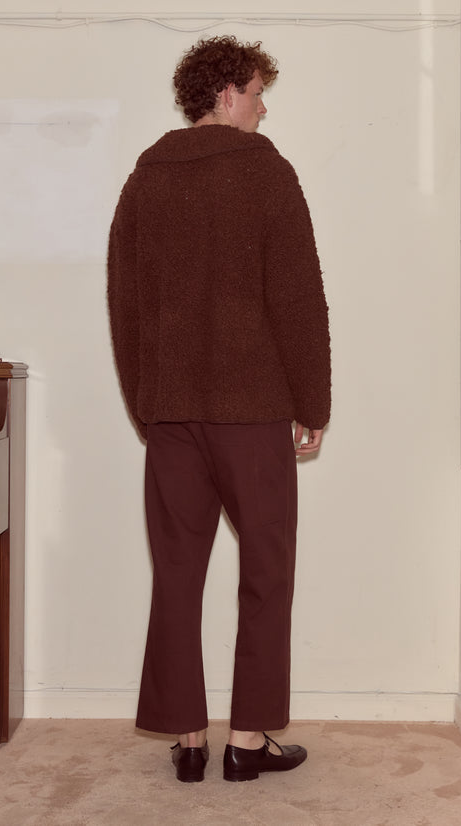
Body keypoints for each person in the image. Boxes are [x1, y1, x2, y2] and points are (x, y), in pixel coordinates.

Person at [107, 35, 331, 783]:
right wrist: (313, 401)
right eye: (260, 93)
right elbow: (297, 299)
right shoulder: (266, 174)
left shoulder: (146, 176)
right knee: (266, 572)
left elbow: (124, 304)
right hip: (252, 411)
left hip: (172, 416)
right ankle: (248, 740)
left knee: (176, 572)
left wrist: (149, 404)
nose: (264, 109)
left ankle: (189, 739)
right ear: (227, 92)